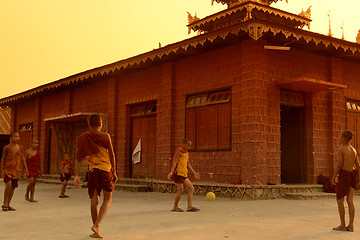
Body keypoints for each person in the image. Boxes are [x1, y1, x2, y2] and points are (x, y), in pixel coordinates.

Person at [74, 114, 118, 239]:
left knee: (95, 199)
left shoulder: (85, 137)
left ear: (89, 125)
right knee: (108, 199)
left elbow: (80, 157)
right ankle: (97, 225)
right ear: (100, 124)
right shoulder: (105, 136)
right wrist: (114, 171)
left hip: (92, 170)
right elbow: (112, 155)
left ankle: (95, 231)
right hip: (105, 169)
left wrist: (77, 175)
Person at [332, 130, 360, 232]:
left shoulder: (342, 149)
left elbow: (339, 164)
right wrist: (359, 180)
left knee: (340, 200)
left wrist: (334, 176)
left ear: (344, 138)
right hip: (353, 175)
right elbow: (358, 165)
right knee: (350, 200)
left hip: (344, 176)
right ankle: (351, 225)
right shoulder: (354, 150)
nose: (339, 139)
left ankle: (343, 225)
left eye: (340, 137)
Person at [167, 138, 201, 212]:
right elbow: (175, 162)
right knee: (180, 190)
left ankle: (189, 206)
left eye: (190, 146)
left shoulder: (187, 153)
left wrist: (194, 172)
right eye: (188, 145)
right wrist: (171, 172)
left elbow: (188, 164)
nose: (189, 147)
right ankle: (175, 206)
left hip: (184, 173)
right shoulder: (179, 151)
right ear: (183, 144)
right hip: (178, 173)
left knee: (191, 188)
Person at [0, 131, 28, 211]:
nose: (17, 138)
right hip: (7, 169)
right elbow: (2, 159)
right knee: (8, 185)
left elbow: (22, 158)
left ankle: (8, 204)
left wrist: (26, 169)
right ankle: (4, 203)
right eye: (15, 136)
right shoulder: (7, 147)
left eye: (18, 136)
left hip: (16, 170)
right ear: (11, 137)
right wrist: (1, 170)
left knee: (13, 187)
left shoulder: (20, 147)